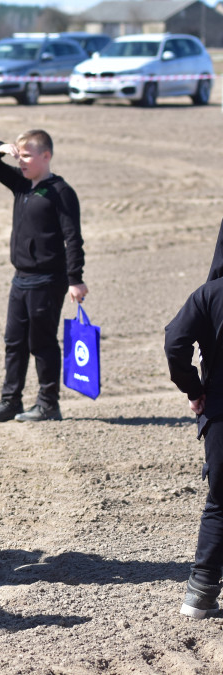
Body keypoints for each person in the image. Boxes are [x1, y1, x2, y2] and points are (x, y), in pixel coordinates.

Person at [0, 130, 87, 423]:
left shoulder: (61, 192)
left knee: (42, 343)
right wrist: (3, 147)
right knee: (14, 342)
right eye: (19, 154)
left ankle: (48, 404)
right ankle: (10, 401)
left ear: (46, 156)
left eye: (27, 155)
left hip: (48, 280)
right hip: (21, 278)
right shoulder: (22, 184)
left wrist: (75, 278)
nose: (21, 160)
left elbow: (73, 239)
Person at [165, 227, 223, 619]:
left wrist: (194, 388)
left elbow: (175, 342)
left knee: (220, 503)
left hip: (220, 411)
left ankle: (199, 596)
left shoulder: (210, 294)